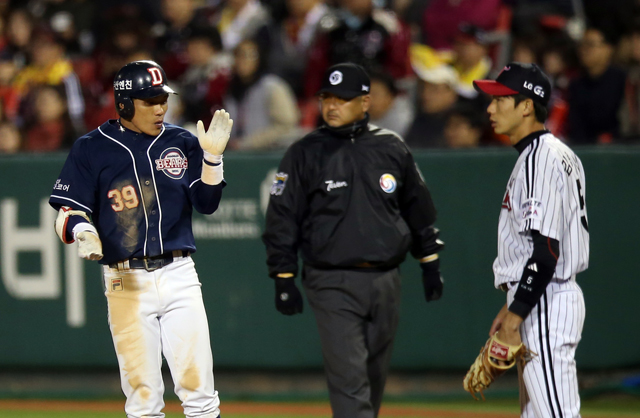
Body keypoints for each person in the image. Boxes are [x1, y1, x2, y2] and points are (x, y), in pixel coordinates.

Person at [48, 60, 232, 418]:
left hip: (179, 274)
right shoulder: (91, 148)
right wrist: (83, 230)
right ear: (125, 105)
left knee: (200, 394)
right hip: (125, 280)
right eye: (150, 101)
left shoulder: (181, 141)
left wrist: (212, 159)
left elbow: (207, 204)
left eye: (162, 98)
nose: (161, 107)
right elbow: (67, 212)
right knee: (143, 401)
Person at [262, 62, 445, 418]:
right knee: (350, 382)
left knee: (372, 380)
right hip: (331, 280)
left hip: (386, 279)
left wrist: (430, 262)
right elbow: (281, 218)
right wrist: (283, 276)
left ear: (365, 102)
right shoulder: (305, 152)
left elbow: (418, 210)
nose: (331, 106)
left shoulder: (391, 146)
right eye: (326, 98)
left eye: (342, 99)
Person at [473, 62, 589, 417]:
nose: (490, 108)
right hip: (539, 297)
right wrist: (511, 306)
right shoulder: (553, 154)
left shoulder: (541, 158)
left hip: (546, 300)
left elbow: (546, 252)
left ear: (527, 106)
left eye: (500, 99)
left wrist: (514, 318)